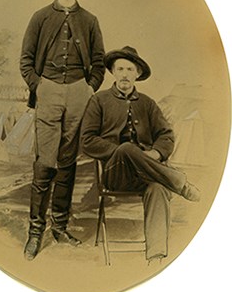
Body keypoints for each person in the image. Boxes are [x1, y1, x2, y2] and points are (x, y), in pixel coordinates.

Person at [20, 0, 105, 260]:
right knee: (45, 162)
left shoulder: (89, 20)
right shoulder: (40, 18)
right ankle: (34, 232)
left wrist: (89, 86)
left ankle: (59, 227)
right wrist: (39, 86)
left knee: (68, 161)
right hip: (49, 92)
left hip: (78, 94)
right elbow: (26, 60)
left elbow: (99, 61)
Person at [80, 46, 200, 263]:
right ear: (113, 73)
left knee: (158, 188)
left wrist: (155, 153)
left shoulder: (147, 103)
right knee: (126, 149)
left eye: (130, 69)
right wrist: (117, 151)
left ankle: (156, 255)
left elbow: (166, 135)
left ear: (137, 74)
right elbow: (86, 140)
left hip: (145, 174)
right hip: (114, 173)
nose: (125, 74)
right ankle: (180, 183)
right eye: (120, 69)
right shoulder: (99, 101)